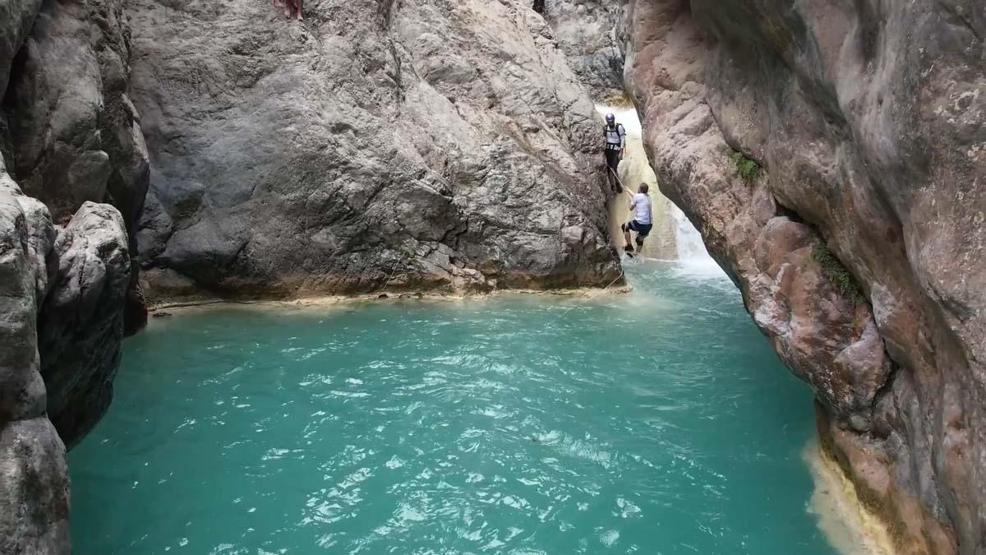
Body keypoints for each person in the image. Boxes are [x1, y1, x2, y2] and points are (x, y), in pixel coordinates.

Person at [622, 184, 653, 256]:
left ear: (640, 189)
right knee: (639, 239)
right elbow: (636, 196)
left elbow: (630, 208)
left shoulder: (637, 197)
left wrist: (631, 202)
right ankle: (637, 255)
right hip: (649, 225)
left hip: (640, 223)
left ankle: (629, 246)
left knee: (625, 226)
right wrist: (628, 190)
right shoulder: (649, 197)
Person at [603, 113, 626, 192]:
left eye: (612, 122)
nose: (611, 123)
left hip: (616, 150)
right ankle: (611, 185)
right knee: (608, 168)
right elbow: (604, 138)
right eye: (609, 122)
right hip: (608, 150)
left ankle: (617, 183)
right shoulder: (606, 128)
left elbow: (622, 139)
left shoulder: (619, 127)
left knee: (614, 167)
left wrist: (621, 151)